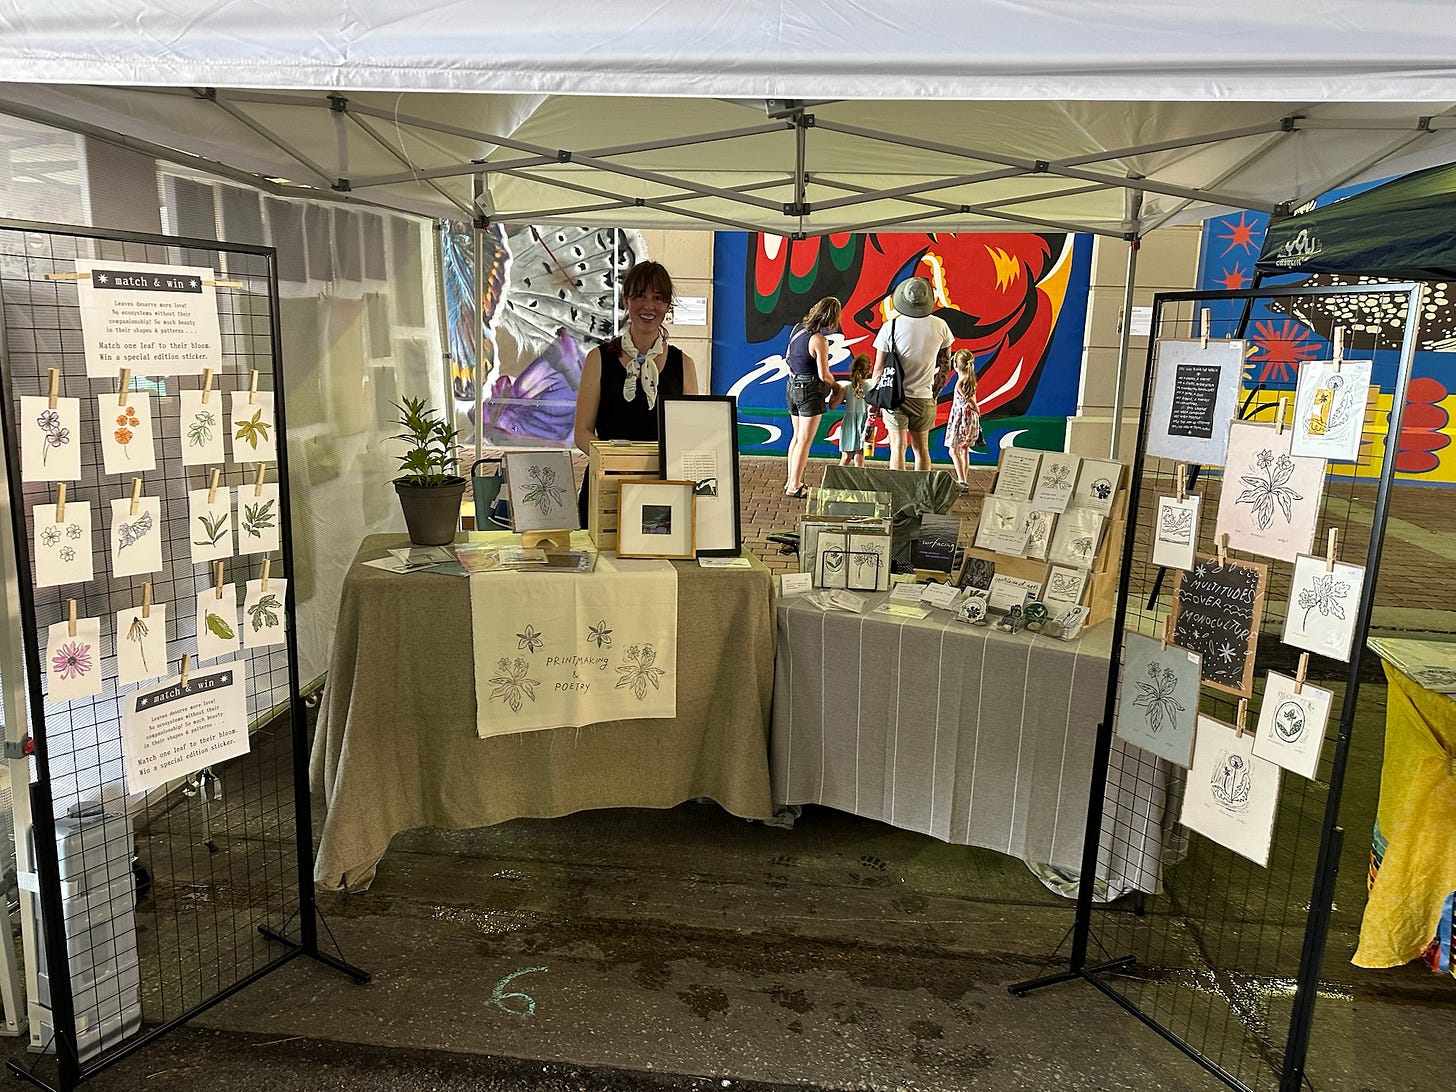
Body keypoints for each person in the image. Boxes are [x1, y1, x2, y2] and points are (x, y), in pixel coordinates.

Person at [573, 260, 697, 524]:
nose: (649, 306)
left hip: (661, 489)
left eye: (658, 298)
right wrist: (617, 459)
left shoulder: (684, 364)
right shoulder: (599, 358)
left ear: (667, 307)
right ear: (626, 300)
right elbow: (582, 433)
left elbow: (689, 436)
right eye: (640, 295)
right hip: (606, 485)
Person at [871, 276, 953, 472]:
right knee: (921, 448)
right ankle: (920, 496)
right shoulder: (940, 326)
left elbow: (879, 368)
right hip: (924, 396)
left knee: (897, 448)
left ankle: (897, 496)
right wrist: (935, 391)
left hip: (894, 397)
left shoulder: (890, 326)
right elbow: (945, 364)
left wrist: (875, 399)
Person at [783, 296, 842, 497]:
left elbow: (788, 358)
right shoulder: (819, 340)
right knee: (805, 440)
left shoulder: (797, 328)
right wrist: (837, 388)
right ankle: (794, 486)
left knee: (797, 437)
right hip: (809, 390)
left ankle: (791, 480)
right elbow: (825, 375)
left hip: (792, 385)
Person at [944, 349, 982, 491]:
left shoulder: (961, 382)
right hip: (970, 419)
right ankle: (964, 479)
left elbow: (969, 400)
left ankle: (961, 481)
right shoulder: (971, 379)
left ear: (955, 366)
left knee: (953, 450)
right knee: (964, 449)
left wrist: (976, 407)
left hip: (961, 420)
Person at [836, 353, 872, 467]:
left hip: (848, 423)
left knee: (845, 457)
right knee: (860, 456)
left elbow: (833, 405)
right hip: (866, 424)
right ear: (869, 370)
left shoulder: (846, 388)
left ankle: (837, 481)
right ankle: (857, 483)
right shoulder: (870, 388)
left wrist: (834, 390)